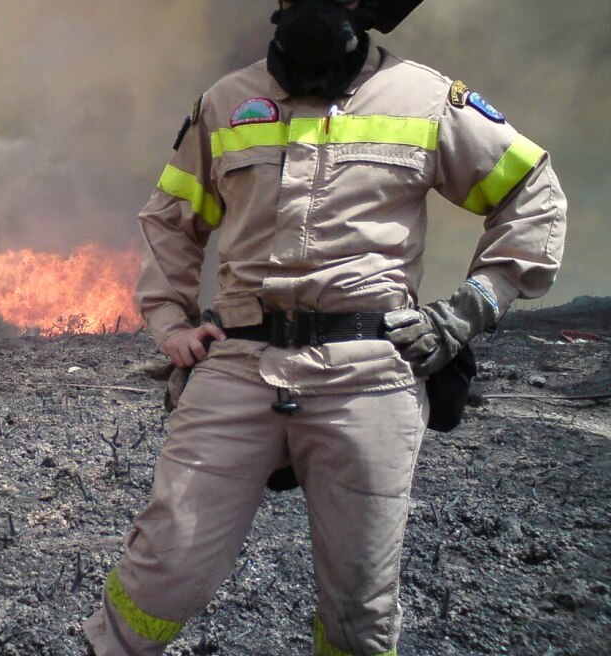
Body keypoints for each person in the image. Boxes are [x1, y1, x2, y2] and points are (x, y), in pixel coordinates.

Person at [83, 0, 567, 653]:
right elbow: (171, 218)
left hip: (369, 372)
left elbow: (530, 192)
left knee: (360, 606)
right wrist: (169, 318)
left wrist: (467, 311)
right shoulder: (227, 102)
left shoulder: (425, 99)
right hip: (237, 364)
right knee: (163, 566)